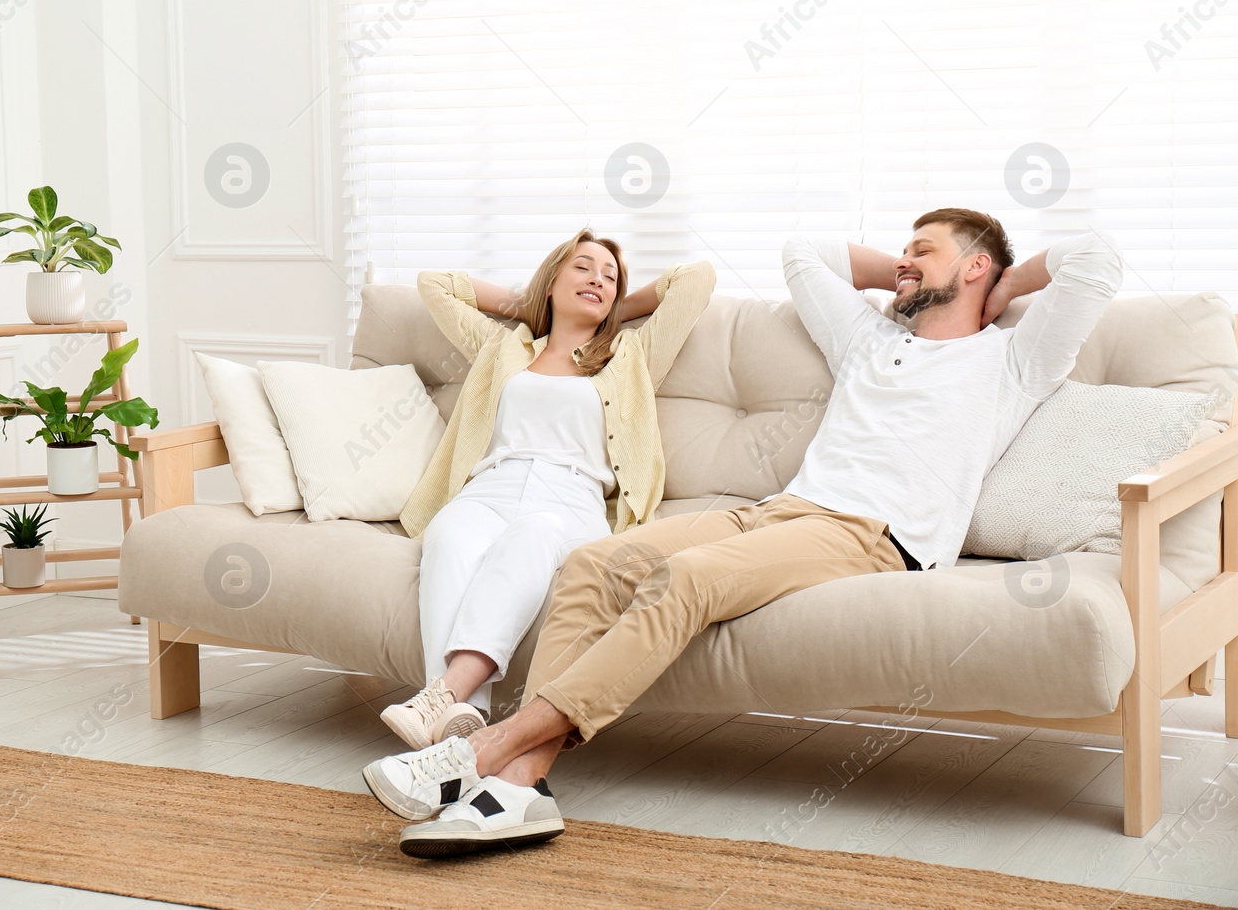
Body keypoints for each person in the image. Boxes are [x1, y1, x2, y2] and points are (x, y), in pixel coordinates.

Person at [363, 208, 1123, 859]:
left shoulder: (1013, 361)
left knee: (687, 580)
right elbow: (803, 252)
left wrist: (1003, 288)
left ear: (977, 265)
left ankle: (484, 756)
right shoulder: (868, 338)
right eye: (901, 251)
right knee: (594, 563)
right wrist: (921, 271)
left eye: (921, 251)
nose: (901, 264)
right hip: (779, 509)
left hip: (872, 533)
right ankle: (524, 789)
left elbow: (1097, 257)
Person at [378, 230, 717, 752]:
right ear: (553, 278)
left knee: (533, 536)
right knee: (446, 538)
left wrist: (613, 308)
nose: (598, 280)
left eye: (610, 278)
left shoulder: (630, 355)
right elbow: (436, 285)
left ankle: (437, 698)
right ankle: (463, 718)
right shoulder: (503, 348)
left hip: (570, 499)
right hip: (489, 488)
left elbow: (696, 280)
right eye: (583, 268)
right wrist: (532, 305)